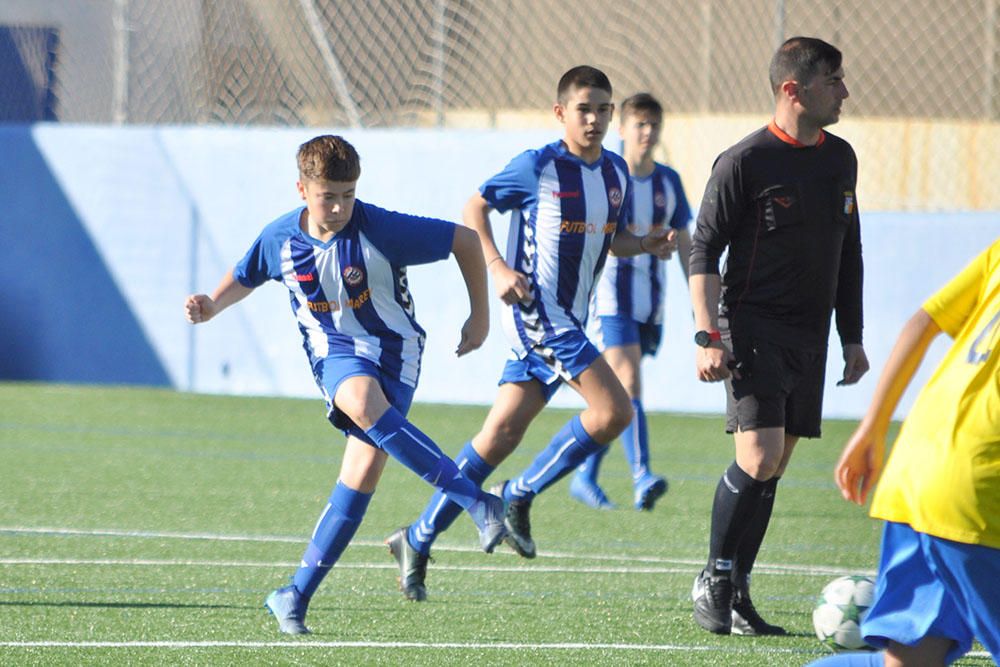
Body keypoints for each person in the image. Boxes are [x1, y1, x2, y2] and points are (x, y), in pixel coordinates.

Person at [184, 135, 507, 635]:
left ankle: (294, 594)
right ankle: (474, 499)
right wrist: (211, 304)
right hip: (334, 354)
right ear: (302, 190)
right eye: (327, 195)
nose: (338, 207)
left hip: (397, 353)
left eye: (348, 194)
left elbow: (465, 241)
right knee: (358, 399)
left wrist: (480, 319)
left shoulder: (379, 228)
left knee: (362, 473)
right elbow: (247, 274)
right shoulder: (281, 239)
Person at [384, 65, 676, 601]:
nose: (594, 119)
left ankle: (417, 538)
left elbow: (612, 243)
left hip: (567, 321)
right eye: (583, 109)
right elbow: (474, 205)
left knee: (498, 437)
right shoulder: (537, 167)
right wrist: (495, 265)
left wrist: (646, 244)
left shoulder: (614, 174)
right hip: (543, 318)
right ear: (561, 113)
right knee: (615, 411)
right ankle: (518, 494)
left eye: (603, 109)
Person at [688, 36, 870, 636]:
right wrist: (707, 335)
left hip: (810, 334)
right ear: (795, 90)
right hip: (752, 325)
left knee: (775, 465)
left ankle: (737, 587)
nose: (845, 91)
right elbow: (704, 249)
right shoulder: (745, 161)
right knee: (759, 456)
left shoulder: (841, 158)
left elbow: (850, 252)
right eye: (834, 80)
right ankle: (713, 576)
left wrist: (852, 335)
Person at [807, 238, 1000, 666]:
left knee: (911, 659)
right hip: (982, 489)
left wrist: (872, 428)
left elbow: (922, 321)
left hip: (918, 463)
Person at [569, 92, 692, 511]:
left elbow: (687, 241)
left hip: (650, 302)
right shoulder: (609, 177)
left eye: (654, 126)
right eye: (639, 125)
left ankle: (585, 475)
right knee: (629, 380)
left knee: (619, 392)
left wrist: (701, 299)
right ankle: (642, 476)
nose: (647, 133)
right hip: (610, 298)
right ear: (621, 129)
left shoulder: (668, 182)